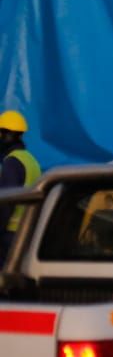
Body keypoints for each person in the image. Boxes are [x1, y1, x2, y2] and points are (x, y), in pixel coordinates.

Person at [0, 110, 41, 260]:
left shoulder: (12, 162)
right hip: (28, 230)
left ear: (5, 135)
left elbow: (6, 202)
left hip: (10, 234)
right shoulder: (31, 160)